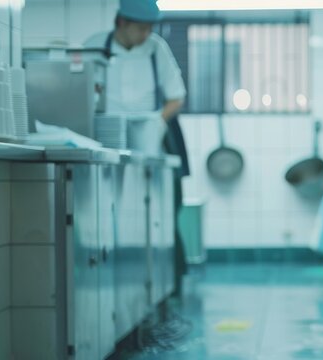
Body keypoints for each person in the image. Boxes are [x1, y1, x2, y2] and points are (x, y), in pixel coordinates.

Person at [85, 0, 190, 296]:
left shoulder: (156, 48)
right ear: (121, 23)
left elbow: (176, 97)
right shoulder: (95, 46)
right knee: (111, 206)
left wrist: (157, 122)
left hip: (152, 133)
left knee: (165, 207)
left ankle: (170, 282)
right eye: (141, 28)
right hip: (106, 135)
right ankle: (116, 271)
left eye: (149, 28)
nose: (146, 34)